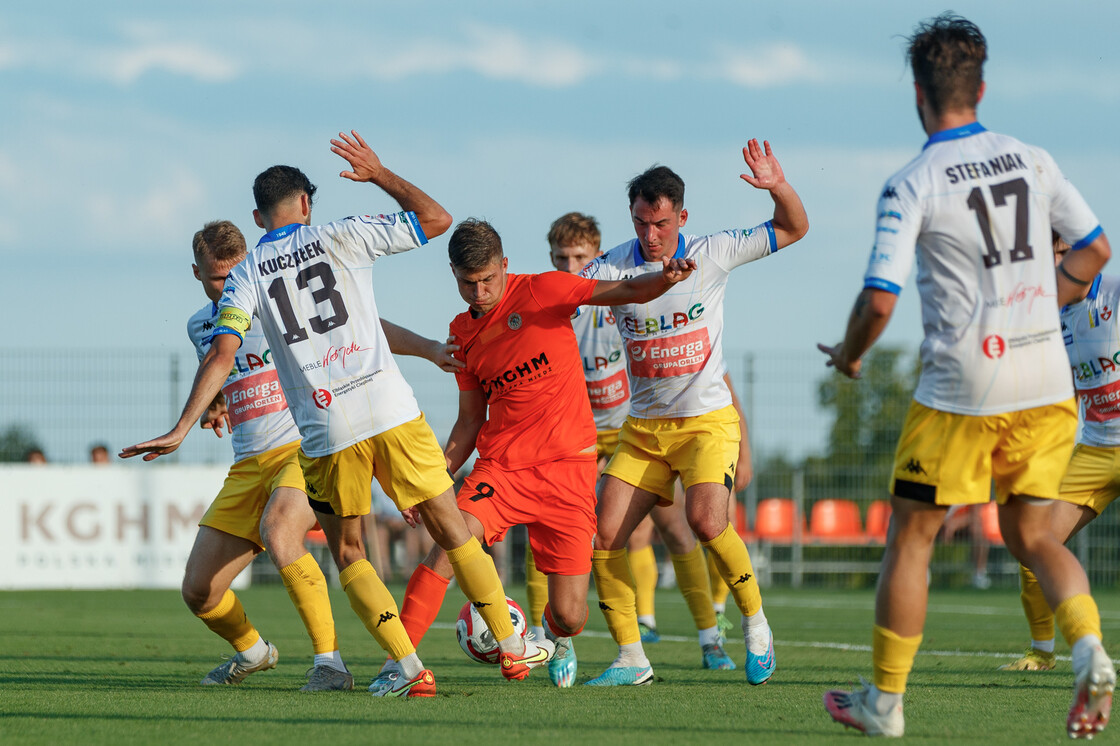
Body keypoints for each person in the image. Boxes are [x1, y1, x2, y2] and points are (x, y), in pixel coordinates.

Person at [122, 131, 548, 697]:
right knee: (449, 525)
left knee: (349, 551)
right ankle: (513, 647)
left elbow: (226, 352)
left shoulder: (249, 275)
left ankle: (409, 667)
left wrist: (180, 428)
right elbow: (438, 219)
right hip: (390, 409)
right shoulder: (343, 235)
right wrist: (380, 174)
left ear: (257, 217)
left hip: (325, 430)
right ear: (305, 203)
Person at [818, 15, 1114, 739]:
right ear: (980, 88)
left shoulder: (912, 182)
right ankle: (1089, 653)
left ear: (918, 95)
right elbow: (1095, 248)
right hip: (1046, 385)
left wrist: (853, 354)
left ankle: (884, 703)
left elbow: (880, 299)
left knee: (912, 539)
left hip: (963, 389)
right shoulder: (1033, 160)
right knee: (1036, 536)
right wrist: (1051, 294)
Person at [368, 217, 696, 693]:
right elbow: (468, 422)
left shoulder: (546, 290)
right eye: (467, 282)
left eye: (488, 281)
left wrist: (663, 279)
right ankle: (398, 664)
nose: (479, 292)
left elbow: (621, 293)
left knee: (569, 614)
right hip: (502, 470)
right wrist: (431, 481)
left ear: (505, 265)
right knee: (448, 547)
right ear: (454, 275)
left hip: (570, 471)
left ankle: (552, 638)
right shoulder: (462, 335)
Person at [579, 139, 809, 686]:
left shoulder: (714, 252)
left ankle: (755, 624)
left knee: (706, 520)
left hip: (707, 421)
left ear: (682, 217)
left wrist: (777, 185)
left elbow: (795, 228)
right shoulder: (610, 264)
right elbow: (562, 296)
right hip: (642, 430)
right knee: (604, 537)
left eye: (660, 223)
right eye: (640, 222)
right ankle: (632, 658)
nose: (649, 235)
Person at [533, 211, 746, 671]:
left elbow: (710, 364)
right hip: (583, 434)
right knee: (562, 526)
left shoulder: (623, 295)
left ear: (598, 257)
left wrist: (742, 441)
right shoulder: (558, 314)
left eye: (579, 258)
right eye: (560, 259)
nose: (570, 269)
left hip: (639, 426)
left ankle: (711, 639)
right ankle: (551, 639)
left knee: (678, 530)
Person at [1002, 235, 1120, 673]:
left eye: (1052, 258)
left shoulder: (1115, 292)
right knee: (1033, 545)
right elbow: (1066, 391)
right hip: (1094, 451)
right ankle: (1042, 653)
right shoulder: (1052, 319)